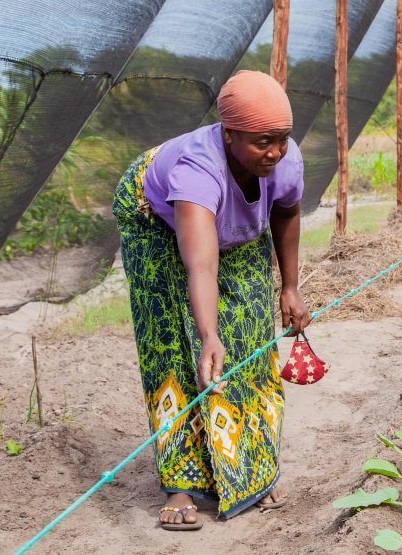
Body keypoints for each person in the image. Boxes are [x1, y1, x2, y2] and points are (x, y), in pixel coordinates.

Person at [112, 70, 312, 529]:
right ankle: (180, 484)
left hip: (234, 227)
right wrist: (208, 335)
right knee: (175, 345)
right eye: (263, 142)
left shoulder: (284, 160)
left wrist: (290, 287)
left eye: (282, 139)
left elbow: (286, 211)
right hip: (155, 221)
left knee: (250, 336)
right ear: (229, 134)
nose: (275, 151)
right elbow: (201, 267)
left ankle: (254, 469)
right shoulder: (197, 171)